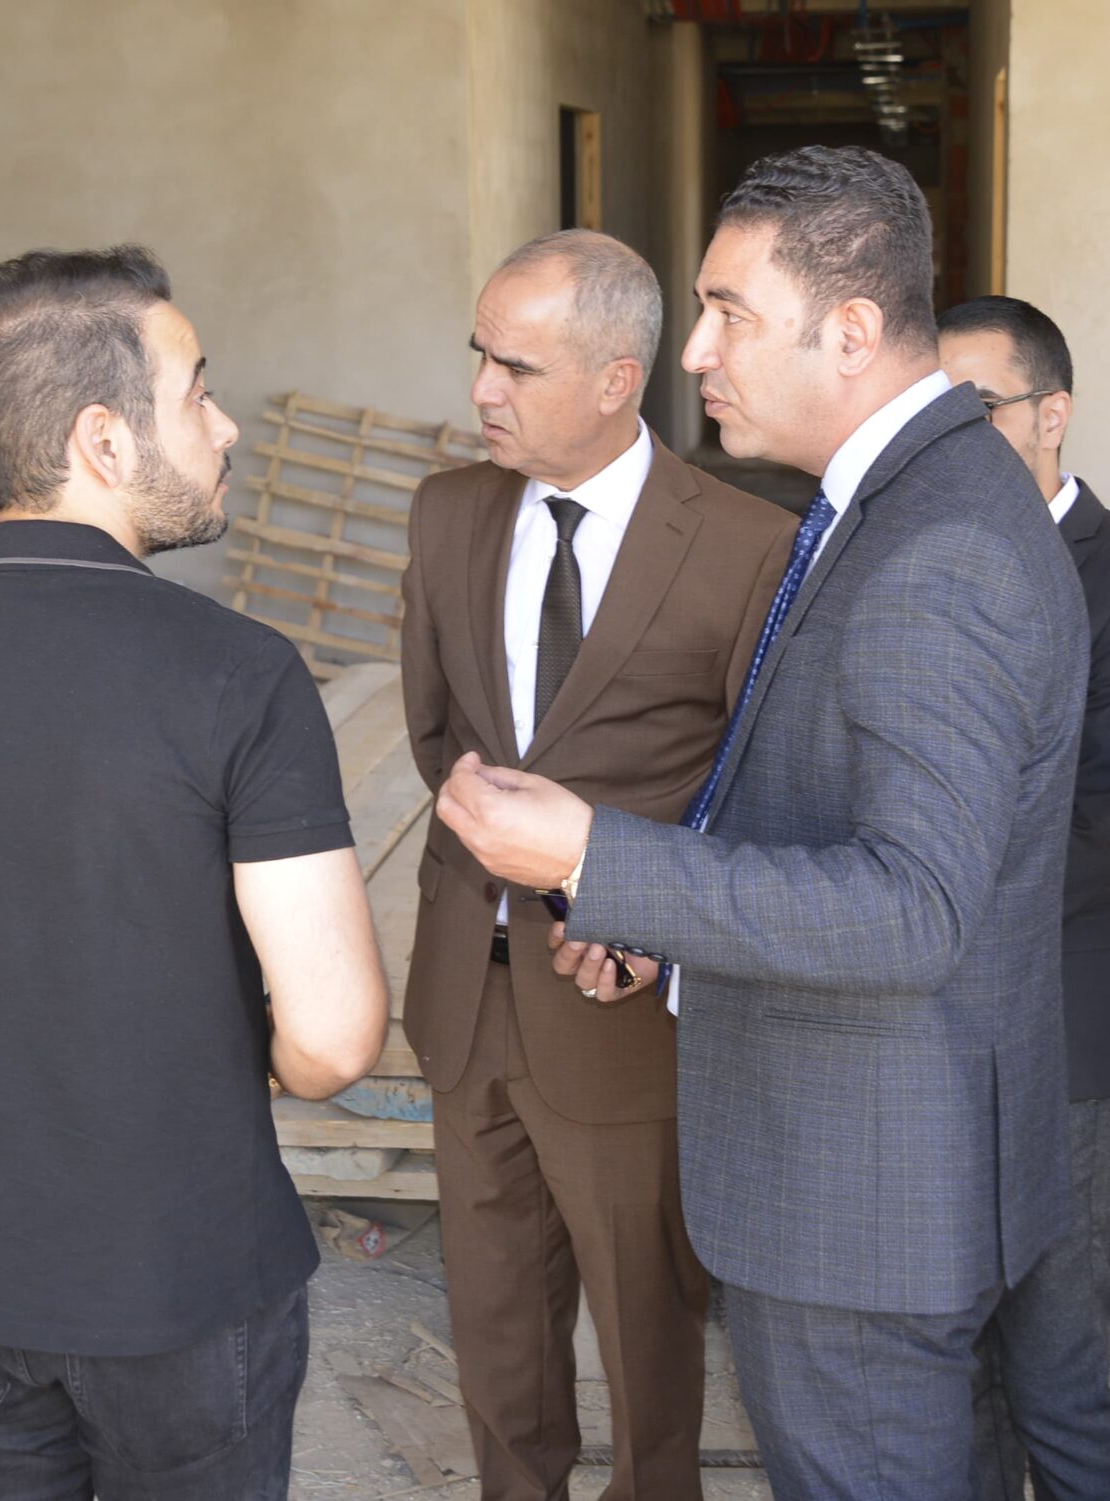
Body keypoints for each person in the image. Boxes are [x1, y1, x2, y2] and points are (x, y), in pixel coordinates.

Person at [434, 146, 1090, 1501]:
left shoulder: (939, 548)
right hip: (881, 1174)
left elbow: (912, 906)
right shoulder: (902, 502)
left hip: (863, 1199)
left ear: (848, 330)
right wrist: (655, 916)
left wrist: (591, 856)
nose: (696, 353)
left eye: (729, 312)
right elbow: (820, 812)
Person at [0, 247, 388, 1500]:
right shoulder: (236, 673)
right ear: (103, 438)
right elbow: (334, 1039)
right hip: (178, 1275)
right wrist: (231, 1052)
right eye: (198, 391)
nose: (226, 427)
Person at [401, 229, 796, 1501]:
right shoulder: (449, 511)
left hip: (622, 1008)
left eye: (516, 367)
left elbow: (763, 791)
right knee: (494, 1318)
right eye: (479, 354)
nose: (481, 389)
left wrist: (649, 919)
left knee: (644, 1328)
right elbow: (437, 736)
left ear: (617, 378)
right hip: (467, 993)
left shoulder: (745, 544)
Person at [940, 295, 1110, 1501]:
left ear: (1052, 415)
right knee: (947, 1355)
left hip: (1059, 1017)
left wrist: (902, 875)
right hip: (917, 1018)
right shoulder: (892, 552)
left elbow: (1097, 820)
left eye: (979, 410)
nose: (949, 442)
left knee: (1053, 1355)